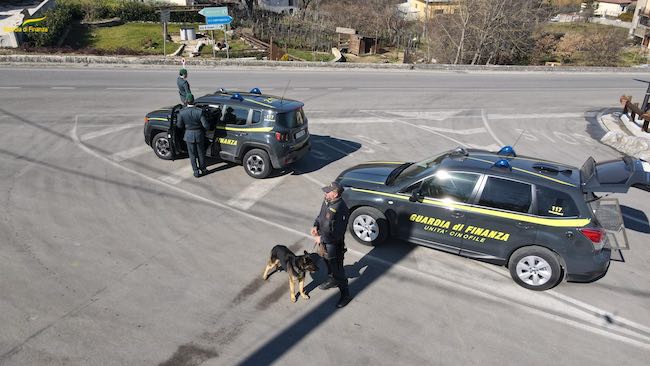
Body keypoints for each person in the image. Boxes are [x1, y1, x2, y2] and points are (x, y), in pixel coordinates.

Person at [311, 181, 353, 308]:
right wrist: (315, 225)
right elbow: (320, 216)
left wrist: (321, 238)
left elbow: (338, 233)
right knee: (326, 262)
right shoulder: (327, 201)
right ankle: (332, 279)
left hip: (333, 245)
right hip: (324, 243)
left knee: (338, 271)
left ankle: (345, 295)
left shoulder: (341, 209)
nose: (325, 192)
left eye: (328, 191)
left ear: (335, 194)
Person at [176, 93, 209, 178]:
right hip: (199, 135)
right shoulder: (199, 111)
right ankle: (203, 169)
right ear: (193, 101)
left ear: (186, 101)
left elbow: (179, 126)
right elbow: (206, 126)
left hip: (188, 135)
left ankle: (196, 171)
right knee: (201, 153)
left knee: (192, 155)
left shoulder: (182, 112)